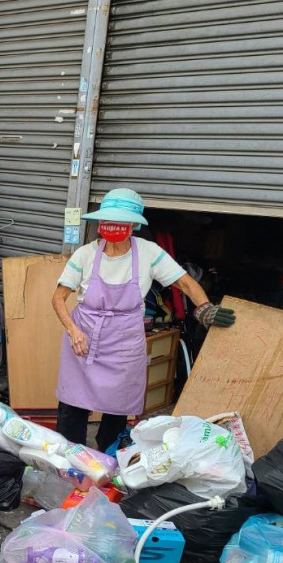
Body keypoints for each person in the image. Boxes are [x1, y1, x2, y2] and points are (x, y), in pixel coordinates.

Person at [52, 188, 234, 451]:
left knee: (118, 406)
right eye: (108, 221)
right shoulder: (85, 254)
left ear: (134, 225)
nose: (112, 227)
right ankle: (69, 457)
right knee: (73, 404)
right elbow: (58, 298)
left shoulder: (149, 252)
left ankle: (109, 456)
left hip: (124, 340)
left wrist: (205, 308)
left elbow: (184, 282)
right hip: (85, 335)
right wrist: (73, 331)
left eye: (119, 221)